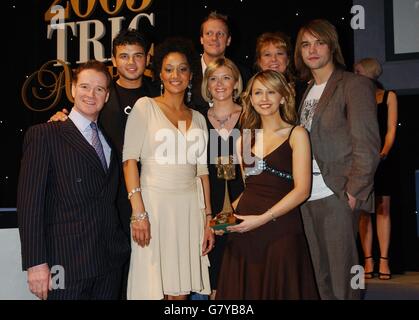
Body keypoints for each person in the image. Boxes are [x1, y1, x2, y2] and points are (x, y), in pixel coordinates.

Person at [49, 29, 160, 298]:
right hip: (108, 204)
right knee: (114, 279)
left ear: (147, 59)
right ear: (114, 60)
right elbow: (78, 125)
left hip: (154, 197)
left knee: (151, 277)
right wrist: (60, 120)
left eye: (138, 56)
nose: (131, 63)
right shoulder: (99, 94)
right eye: (124, 56)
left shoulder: (160, 94)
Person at [17, 60, 130, 300]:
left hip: (108, 263)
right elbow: (30, 205)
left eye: (99, 89)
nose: (91, 94)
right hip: (65, 262)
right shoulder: (45, 135)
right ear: (72, 90)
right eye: (85, 86)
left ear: (107, 96)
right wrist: (36, 263)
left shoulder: (109, 143)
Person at [294, 19, 381, 299]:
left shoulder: (354, 85)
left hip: (337, 194)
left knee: (345, 279)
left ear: (332, 46)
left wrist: (354, 192)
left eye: (319, 42)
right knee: (321, 277)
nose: (313, 50)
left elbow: (367, 144)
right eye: (306, 44)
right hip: (306, 197)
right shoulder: (305, 91)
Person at [123, 37, 215, 300]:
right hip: (153, 207)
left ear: (191, 75)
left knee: (180, 294)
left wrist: (208, 219)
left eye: (183, 69)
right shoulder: (145, 107)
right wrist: (138, 213)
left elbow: (202, 171)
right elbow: (129, 161)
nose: (176, 75)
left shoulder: (198, 118)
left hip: (189, 210)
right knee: (153, 288)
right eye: (169, 69)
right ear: (160, 74)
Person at [216, 70, 319, 299]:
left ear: (283, 97)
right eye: (258, 93)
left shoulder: (297, 134)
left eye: (271, 92)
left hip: (281, 229)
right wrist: (219, 220)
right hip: (245, 231)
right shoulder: (244, 139)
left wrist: (262, 219)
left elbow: (302, 191)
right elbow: (248, 188)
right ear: (250, 99)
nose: (264, 98)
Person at [201, 57, 244, 299]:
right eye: (213, 78)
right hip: (209, 208)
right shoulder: (197, 118)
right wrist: (209, 216)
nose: (219, 84)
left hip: (244, 206)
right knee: (214, 280)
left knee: (241, 275)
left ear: (236, 83)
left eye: (226, 77)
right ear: (207, 85)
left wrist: (233, 212)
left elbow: (256, 169)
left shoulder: (251, 116)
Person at [354, 58, 398, 280]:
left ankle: (384, 260)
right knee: (363, 211)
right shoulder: (356, 98)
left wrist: (383, 152)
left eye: (358, 70)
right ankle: (367, 259)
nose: (355, 74)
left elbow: (390, 130)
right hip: (361, 160)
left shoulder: (389, 96)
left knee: (383, 209)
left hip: (382, 159)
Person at [192, 11, 251, 113]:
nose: (214, 38)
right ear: (201, 39)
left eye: (220, 34)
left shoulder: (243, 74)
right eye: (209, 33)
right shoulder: (187, 72)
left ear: (228, 40)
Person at [254, 31, 306, 107]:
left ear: (287, 60)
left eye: (279, 53)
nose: (274, 59)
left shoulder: (302, 91)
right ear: (259, 61)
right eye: (267, 54)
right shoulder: (251, 91)